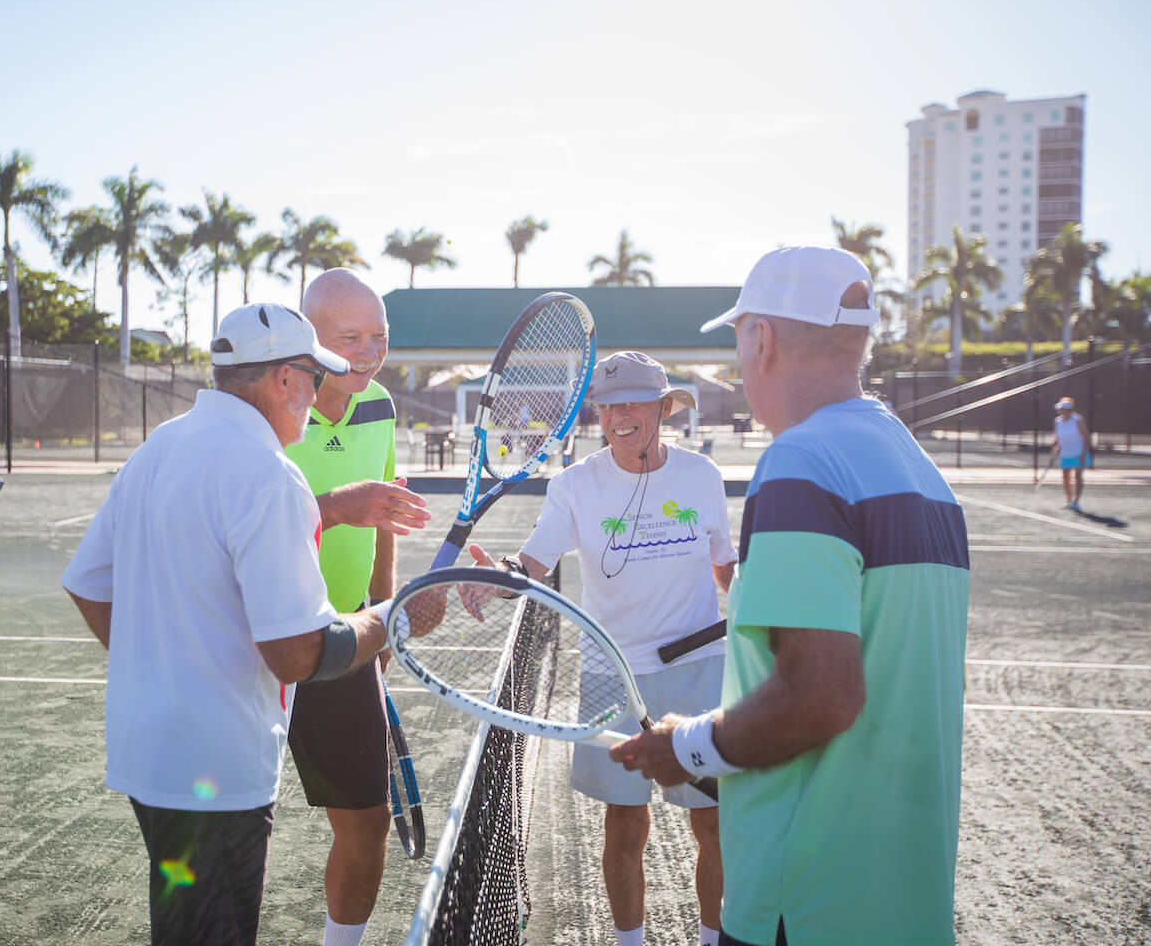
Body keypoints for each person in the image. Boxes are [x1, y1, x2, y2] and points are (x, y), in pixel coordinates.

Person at [610, 246, 970, 946]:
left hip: (804, 903)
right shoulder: (923, 472)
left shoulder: (802, 461)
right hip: (908, 898)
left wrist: (687, 747)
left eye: (741, 341)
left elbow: (822, 696)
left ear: (762, 339)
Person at [61, 302, 394, 946]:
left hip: (148, 751)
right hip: (216, 768)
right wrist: (386, 620)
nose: (318, 397)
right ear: (286, 381)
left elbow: (87, 584)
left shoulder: (160, 446)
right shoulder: (269, 474)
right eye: (315, 380)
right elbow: (297, 655)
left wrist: (157, 667)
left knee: (184, 923)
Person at [468, 350, 737, 946]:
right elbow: (533, 563)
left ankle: (714, 938)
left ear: (663, 409)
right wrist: (501, 577)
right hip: (610, 673)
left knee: (713, 822)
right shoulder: (573, 485)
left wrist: (755, 595)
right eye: (609, 404)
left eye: (634, 402)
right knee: (623, 823)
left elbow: (725, 569)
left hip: (697, 668)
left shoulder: (702, 477)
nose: (619, 415)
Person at [282, 268, 431, 946]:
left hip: (340, 638)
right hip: (252, 648)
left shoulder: (377, 406)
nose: (370, 351)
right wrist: (338, 507)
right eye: (351, 337)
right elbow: (237, 524)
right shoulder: (272, 412)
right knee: (224, 827)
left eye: (380, 335)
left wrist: (384, 617)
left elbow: (383, 519)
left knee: (367, 823)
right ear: (308, 342)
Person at [1050, 396, 1092, 510]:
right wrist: (1054, 451)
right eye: (1060, 409)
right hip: (1066, 453)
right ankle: (1069, 501)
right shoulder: (1057, 421)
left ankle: (1076, 502)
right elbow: (1058, 438)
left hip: (1079, 452)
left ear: (1069, 409)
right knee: (1065, 478)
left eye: (1063, 409)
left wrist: (1083, 454)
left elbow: (1086, 437)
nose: (1061, 411)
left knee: (1078, 476)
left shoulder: (1078, 420)